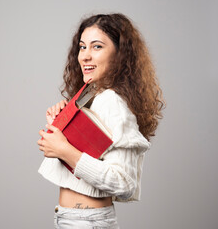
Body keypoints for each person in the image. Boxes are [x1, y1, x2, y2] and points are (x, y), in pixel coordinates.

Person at [37, 13, 164, 228]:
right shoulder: (91, 94)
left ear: (120, 55)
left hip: (86, 222)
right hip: (72, 219)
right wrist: (61, 125)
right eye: (82, 47)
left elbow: (124, 183)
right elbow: (91, 152)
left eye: (96, 47)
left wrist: (64, 150)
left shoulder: (112, 101)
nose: (85, 56)